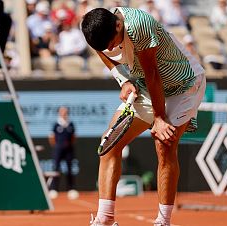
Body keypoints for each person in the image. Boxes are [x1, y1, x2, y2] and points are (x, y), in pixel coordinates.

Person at [81, 7, 206, 226]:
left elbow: (153, 75)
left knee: (164, 144)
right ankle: (105, 218)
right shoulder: (99, 31)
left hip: (184, 85)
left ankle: (163, 221)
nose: (111, 49)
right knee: (109, 144)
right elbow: (102, 50)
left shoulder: (138, 24)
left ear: (118, 25)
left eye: (112, 43)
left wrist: (159, 118)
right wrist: (124, 80)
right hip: (148, 86)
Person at [48, 106, 79, 200]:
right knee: (56, 169)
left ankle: (71, 189)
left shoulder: (71, 124)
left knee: (70, 169)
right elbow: (52, 138)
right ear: (59, 113)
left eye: (65, 111)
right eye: (62, 111)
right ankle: (53, 189)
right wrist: (58, 146)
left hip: (69, 150)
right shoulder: (56, 124)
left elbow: (73, 137)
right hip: (58, 150)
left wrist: (68, 145)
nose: (64, 113)